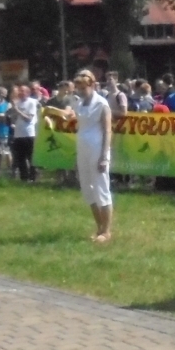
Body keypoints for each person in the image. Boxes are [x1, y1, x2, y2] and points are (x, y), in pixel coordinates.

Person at [48, 69, 114, 242]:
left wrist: (104, 156)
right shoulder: (78, 102)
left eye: (83, 88)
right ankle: (99, 227)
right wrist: (53, 112)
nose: (80, 91)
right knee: (87, 189)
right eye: (78, 88)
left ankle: (107, 231)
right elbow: (68, 113)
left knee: (101, 188)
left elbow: (108, 130)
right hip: (83, 149)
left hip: (98, 150)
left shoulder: (102, 104)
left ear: (92, 85)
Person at [10, 84, 39, 181]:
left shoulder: (31, 102)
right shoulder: (17, 103)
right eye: (19, 91)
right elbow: (13, 117)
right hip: (18, 134)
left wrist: (16, 110)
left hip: (29, 133)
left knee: (31, 156)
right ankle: (24, 177)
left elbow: (28, 118)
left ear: (28, 92)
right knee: (20, 157)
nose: (20, 93)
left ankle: (33, 177)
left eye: (22, 91)